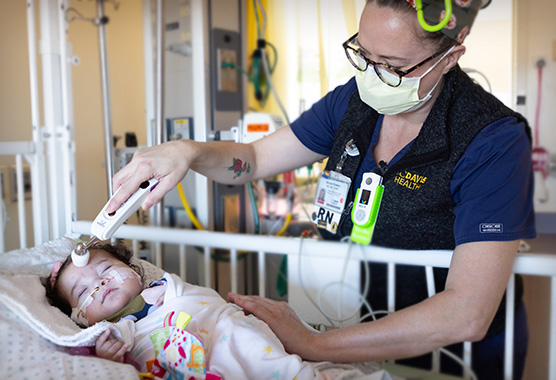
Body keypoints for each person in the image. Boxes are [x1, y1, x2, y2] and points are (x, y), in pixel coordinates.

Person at [106, 0, 535, 379]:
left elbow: (467, 312)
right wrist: (187, 152)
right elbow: (253, 159)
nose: (371, 75)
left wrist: (312, 344)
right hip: (346, 329)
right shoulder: (352, 103)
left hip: (447, 358)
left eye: (390, 65)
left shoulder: (492, 138)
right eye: (362, 55)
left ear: (449, 57)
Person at [44, 244, 386, 380]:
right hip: (192, 368)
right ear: (80, 317)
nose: (99, 284)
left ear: (134, 271)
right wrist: (108, 359)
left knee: (250, 345)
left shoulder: (168, 289)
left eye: (105, 269)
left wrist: (167, 293)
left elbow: (203, 304)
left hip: (224, 333)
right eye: (82, 291)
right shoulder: (108, 336)